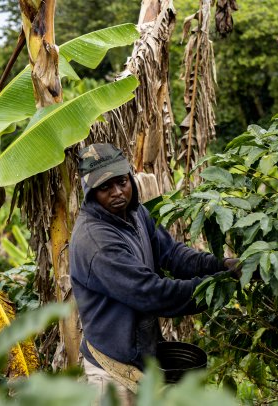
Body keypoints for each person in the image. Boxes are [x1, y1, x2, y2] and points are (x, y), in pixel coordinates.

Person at [69, 143, 238, 404]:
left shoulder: (135, 213)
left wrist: (222, 265)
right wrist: (217, 286)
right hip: (112, 373)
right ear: (90, 193)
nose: (117, 193)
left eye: (122, 182)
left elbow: (173, 255)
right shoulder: (97, 242)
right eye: (105, 187)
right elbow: (151, 293)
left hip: (143, 359)